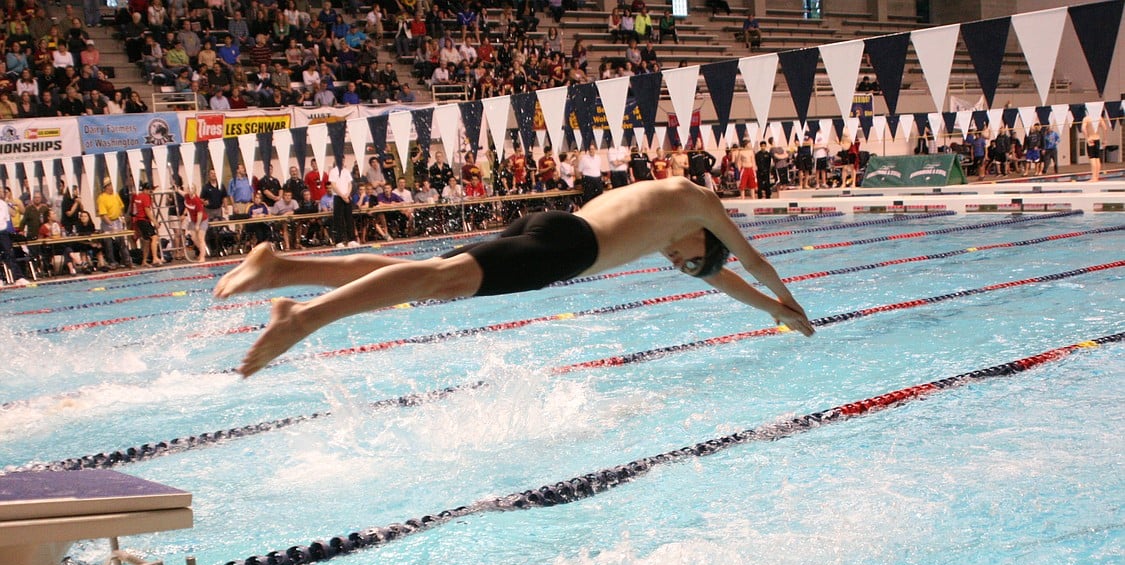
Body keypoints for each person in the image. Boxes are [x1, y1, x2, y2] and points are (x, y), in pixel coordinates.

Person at [214, 178, 814, 376]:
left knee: (428, 274)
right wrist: (791, 301)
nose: (682, 266)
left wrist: (768, 312)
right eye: (691, 260)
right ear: (705, 238)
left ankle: (284, 268)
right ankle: (303, 316)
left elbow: (724, 280)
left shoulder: (665, 224)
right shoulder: (697, 200)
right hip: (567, 249)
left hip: (555, 228)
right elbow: (749, 261)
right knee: (439, 281)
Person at [327, 159, 356, 246]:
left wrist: (347, 194)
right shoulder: (333, 171)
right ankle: (338, 241)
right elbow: (333, 185)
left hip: (347, 196)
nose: (342, 162)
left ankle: (351, 239)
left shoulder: (346, 171)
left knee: (349, 219)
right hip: (338, 197)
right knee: (338, 220)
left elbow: (350, 184)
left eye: (343, 160)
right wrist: (342, 196)